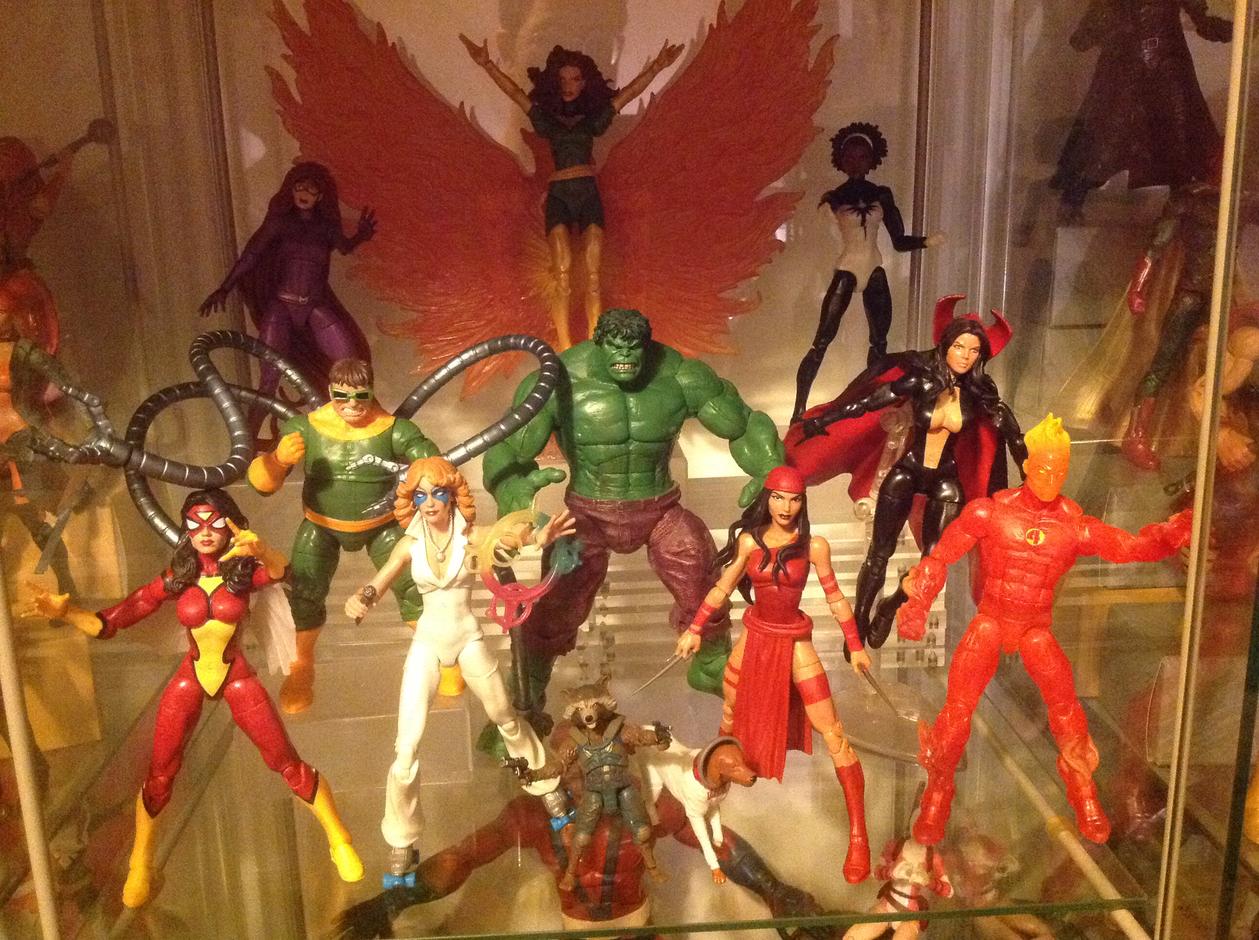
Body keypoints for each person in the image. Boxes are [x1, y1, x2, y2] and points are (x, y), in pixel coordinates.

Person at [23, 489, 363, 908]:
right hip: (190, 678)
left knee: (285, 761)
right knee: (161, 772)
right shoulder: (177, 578)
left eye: (214, 522)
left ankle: (339, 839)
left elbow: (285, 575)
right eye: (195, 523)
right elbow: (114, 621)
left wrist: (261, 550)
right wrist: (68, 613)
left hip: (236, 676)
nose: (205, 531)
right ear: (185, 528)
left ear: (230, 524)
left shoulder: (245, 573)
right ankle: (141, 862)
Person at [894, 415, 1193, 846]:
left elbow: (1129, 547)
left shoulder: (1074, 526)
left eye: (1059, 471)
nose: (1051, 478)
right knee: (957, 711)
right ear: (1028, 465)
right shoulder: (989, 512)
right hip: (991, 620)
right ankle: (938, 792)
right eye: (1044, 469)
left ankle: (1083, 792)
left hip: (1035, 628)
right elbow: (940, 558)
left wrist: (1170, 533)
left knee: (1066, 709)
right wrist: (917, 605)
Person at [483, 308, 784, 729]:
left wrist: (771, 473)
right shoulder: (557, 381)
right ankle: (527, 696)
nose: (625, 357)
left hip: (659, 507)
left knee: (700, 568)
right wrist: (513, 497)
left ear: (646, 345)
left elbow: (744, 425)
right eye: (615, 347)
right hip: (587, 512)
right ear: (599, 343)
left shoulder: (680, 376)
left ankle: (711, 667)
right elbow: (506, 450)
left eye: (633, 348)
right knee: (556, 604)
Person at [344, 456, 573, 879]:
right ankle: (402, 837)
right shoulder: (409, 544)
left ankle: (544, 782)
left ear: (452, 496)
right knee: (406, 745)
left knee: (505, 717)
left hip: (468, 639)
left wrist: (541, 537)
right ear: (412, 501)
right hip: (427, 643)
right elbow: (382, 579)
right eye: (421, 496)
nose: (430, 503)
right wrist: (363, 598)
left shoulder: (471, 538)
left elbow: (511, 540)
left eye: (438, 493)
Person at [676, 465, 871, 884]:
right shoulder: (750, 541)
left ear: (803, 502)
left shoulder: (814, 546)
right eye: (779, 497)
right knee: (730, 710)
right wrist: (694, 629)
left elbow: (836, 598)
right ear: (767, 499)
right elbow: (722, 587)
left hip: (794, 640)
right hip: (756, 637)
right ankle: (715, 787)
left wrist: (855, 645)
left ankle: (858, 833)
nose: (786, 506)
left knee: (832, 730)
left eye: (795, 498)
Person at [796, 307, 1026, 647]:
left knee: (934, 563)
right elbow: (870, 403)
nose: (965, 356)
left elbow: (1013, 436)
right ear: (945, 346)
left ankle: (890, 605)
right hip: (909, 469)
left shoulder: (979, 395)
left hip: (945, 479)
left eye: (974, 350)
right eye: (959, 347)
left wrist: (1029, 475)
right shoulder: (923, 382)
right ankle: (858, 623)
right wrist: (826, 419)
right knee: (879, 553)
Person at [460, 38, 682, 348]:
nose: (568, 85)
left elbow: (629, 93)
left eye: (575, 78)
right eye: (563, 79)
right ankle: (564, 348)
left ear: (584, 83)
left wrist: (657, 67)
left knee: (593, 275)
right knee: (562, 274)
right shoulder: (547, 120)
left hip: (588, 195)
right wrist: (487, 64)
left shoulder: (592, 121)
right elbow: (515, 93)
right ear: (555, 82)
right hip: (559, 197)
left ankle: (595, 345)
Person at [247, 357, 439, 713]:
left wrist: (426, 465)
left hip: (382, 526)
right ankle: (301, 666)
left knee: (414, 586)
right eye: (341, 396)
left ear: (371, 391)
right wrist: (277, 460)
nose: (351, 405)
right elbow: (261, 485)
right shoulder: (307, 427)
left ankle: (442, 653)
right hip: (320, 526)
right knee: (304, 593)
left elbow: (433, 465)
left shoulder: (393, 429)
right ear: (330, 392)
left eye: (360, 396)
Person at [200, 162, 374, 421]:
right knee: (268, 381)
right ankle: (248, 436)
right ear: (291, 190)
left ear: (320, 195)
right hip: (281, 307)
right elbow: (250, 256)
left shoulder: (326, 228)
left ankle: (360, 424)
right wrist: (225, 288)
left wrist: (361, 235)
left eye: (311, 189)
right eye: (299, 187)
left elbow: (344, 247)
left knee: (351, 365)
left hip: (314, 306)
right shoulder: (280, 223)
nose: (304, 193)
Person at [791, 121, 940, 422]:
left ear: (872, 160)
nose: (856, 162)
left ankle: (872, 405)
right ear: (840, 160)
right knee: (822, 341)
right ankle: (798, 410)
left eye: (862, 157)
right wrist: (823, 214)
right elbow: (816, 234)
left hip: (873, 269)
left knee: (879, 343)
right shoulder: (834, 198)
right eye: (850, 156)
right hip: (847, 268)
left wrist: (925, 242)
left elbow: (898, 241)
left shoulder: (881, 195)